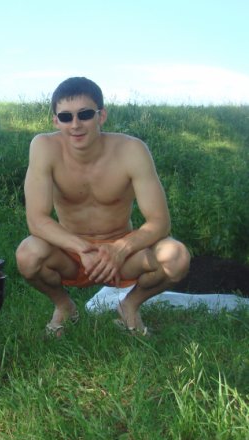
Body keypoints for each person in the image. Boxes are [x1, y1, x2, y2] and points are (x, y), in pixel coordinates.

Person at [16, 77, 190, 337]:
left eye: (85, 114)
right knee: (27, 255)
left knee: (176, 256)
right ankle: (64, 307)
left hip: (122, 255)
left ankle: (129, 305)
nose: (75, 124)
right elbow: (37, 221)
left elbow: (160, 222)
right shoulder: (44, 147)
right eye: (66, 117)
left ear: (101, 115)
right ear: (55, 121)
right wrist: (81, 248)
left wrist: (119, 249)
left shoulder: (132, 150)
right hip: (71, 254)